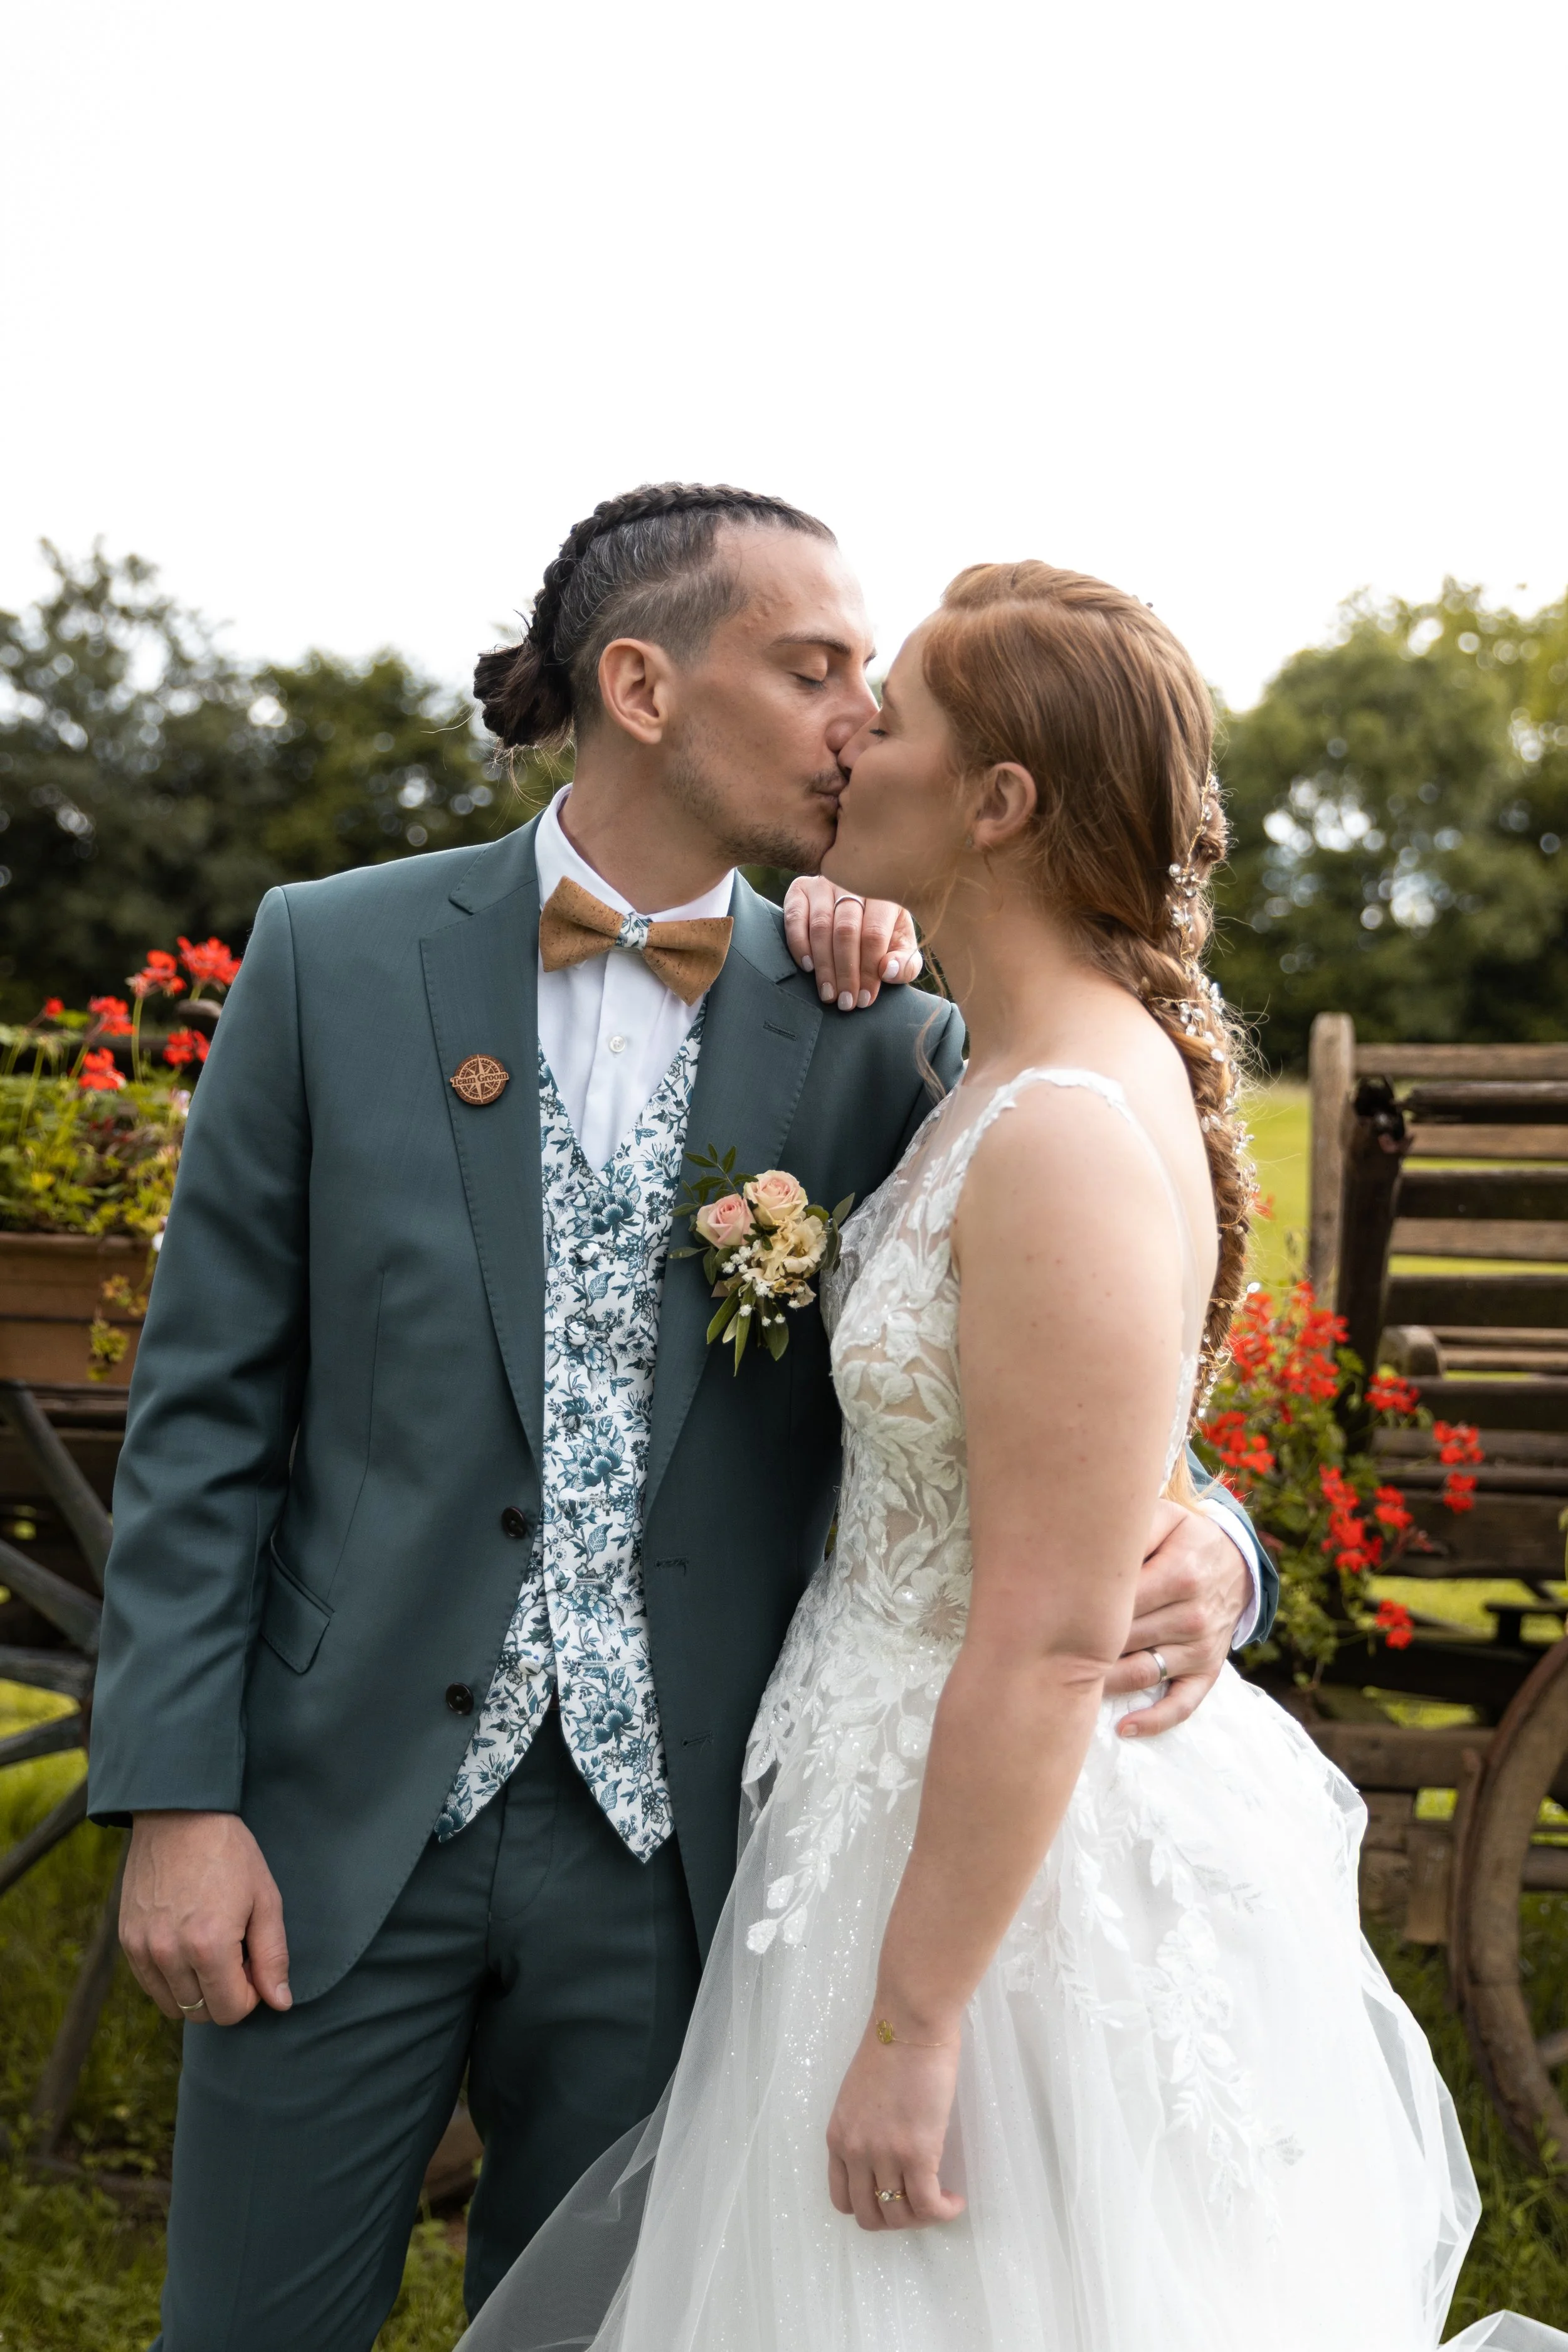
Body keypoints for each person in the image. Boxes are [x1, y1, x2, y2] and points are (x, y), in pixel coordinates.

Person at [87, 490, 1268, 2352]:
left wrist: (1214, 1537)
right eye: (813, 671)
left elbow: (1043, 1372)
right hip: (330, 1816)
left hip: (686, 1859)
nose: (856, 721)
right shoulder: (330, 957)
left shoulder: (890, 1028)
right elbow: (205, 1409)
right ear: (639, 683)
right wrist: (176, 1794)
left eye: (873, 684)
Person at [463, 560, 1555, 2352]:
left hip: (997, 1885)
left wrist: (913, 2025)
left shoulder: (1052, 1124)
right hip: (883, 1808)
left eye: (883, 711)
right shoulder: (995, 1067)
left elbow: (1053, 1626)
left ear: (996, 804)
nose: (843, 741)